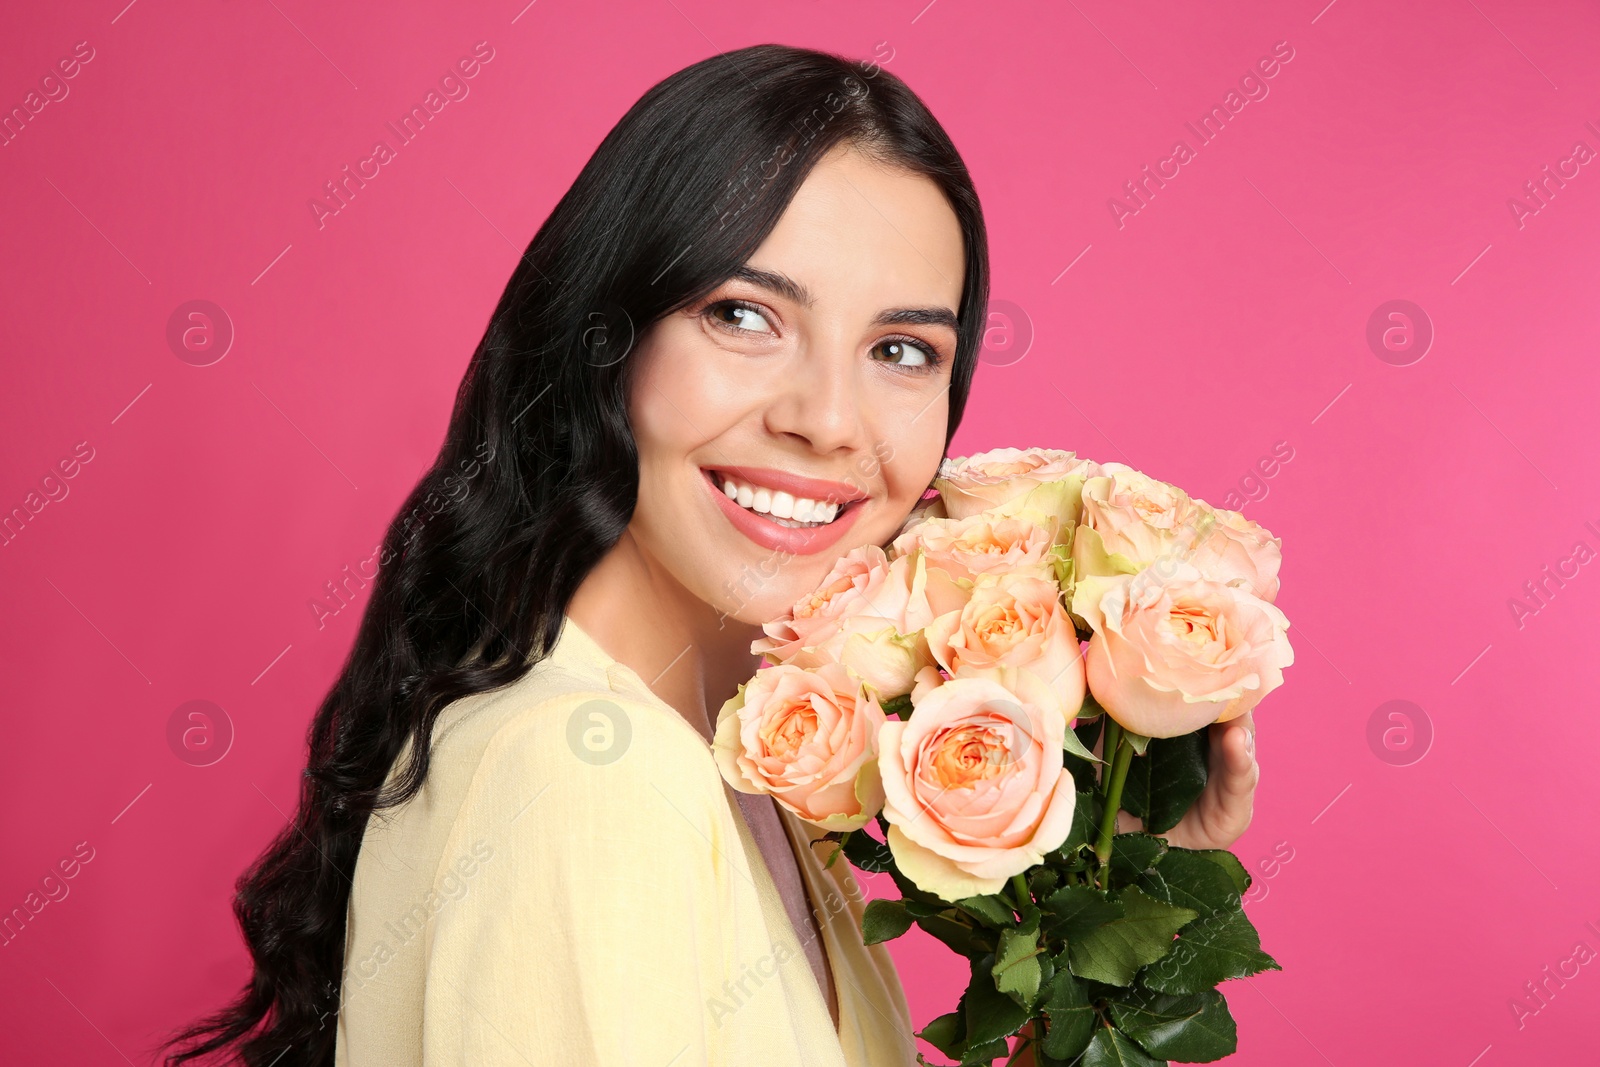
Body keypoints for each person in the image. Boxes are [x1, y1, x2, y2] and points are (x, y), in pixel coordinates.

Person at [161, 42, 1258, 1067]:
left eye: (900, 348)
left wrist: (1127, 874)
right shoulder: (588, 775)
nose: (830, 420)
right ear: (605, 343)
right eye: (742, 314)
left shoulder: (751, 779)